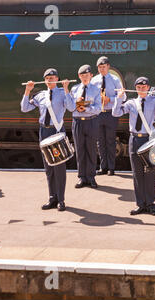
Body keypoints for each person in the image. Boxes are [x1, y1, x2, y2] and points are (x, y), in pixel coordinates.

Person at [113, 77, 155, 215]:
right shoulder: (131, 103)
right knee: (137, 174)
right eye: (138, 87)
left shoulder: (154, 101)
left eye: (144, 87)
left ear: (148, 88)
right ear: (136, 88)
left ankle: (150, 204)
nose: (141, 89)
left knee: (149, 172)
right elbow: (116, 113)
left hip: (148, 139)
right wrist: (119, 98)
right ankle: (140, 204)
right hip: (134, 139)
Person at [21, 68, 74, 211]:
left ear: (57, 79)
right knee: (48, 167)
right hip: (44, 131)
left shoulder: (63, 93)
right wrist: (27, 91)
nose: (50, 80)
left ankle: (61, 200)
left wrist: (66, 89)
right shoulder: (40, 95)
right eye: (47, 78)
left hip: (56, 130)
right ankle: (52, 198)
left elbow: (71, 107)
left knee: (59, 167)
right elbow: (24, 108)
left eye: (52, 77)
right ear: (44, 80)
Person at [67, 64, 102, 189]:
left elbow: (98, 109)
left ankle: (91, 177)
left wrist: (86, 108)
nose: (85, 77)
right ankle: (82, 177)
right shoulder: (74, 89)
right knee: (80, 150)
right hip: (78, 122)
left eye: (87, 75)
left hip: (91, 121)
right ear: (79, 76)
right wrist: (77, 106)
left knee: (91, 150)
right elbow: (70, 107)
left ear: (91, 76)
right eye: (82, 75)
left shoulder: (96, 90)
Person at [91, 56, 124, 176]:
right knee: (100, 141)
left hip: (111, 113)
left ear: (108, 67)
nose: (102, 69)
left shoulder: (115, 79)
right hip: (98, 113)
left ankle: (111, 167)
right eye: (100, 67)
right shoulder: (94, 80)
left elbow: (123, 97)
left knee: (110, 140)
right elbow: (90, 96)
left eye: (104, 67)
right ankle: (103, 167)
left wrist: (110, 99)